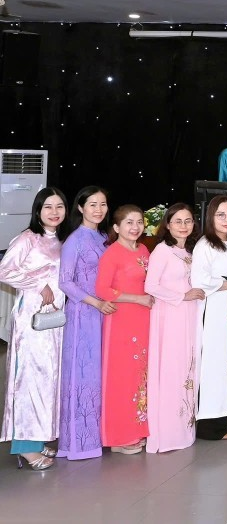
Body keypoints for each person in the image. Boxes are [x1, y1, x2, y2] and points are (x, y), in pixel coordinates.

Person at [0, 187, 69, 470]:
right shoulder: (27, 239)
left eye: (59, 206)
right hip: (32, 319)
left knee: (48, 378)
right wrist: (39, 285)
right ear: (38, 211)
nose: (54, 212)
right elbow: (5, 270)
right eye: (48, 207)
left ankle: (38, 439)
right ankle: (25, 447)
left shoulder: (60, 241)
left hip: (54, 319)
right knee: (29, 377)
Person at [57, 186, 110, 461]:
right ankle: (78, 442)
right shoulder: (74, 240)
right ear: (80, 207)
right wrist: (94, 302)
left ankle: (102, 435)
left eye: (103, 204)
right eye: (92, 204)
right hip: (82, 313)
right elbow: (65, 282)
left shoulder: (104, 238)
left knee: (102, 373)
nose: (98, 209)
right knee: (83, 375)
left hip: (105, 312)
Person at [144, 203, 200, 453]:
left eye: (188, 221)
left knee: (187, 368)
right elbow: (151, 286)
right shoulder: (162, 250)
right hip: (170, 316)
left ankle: (184, 429)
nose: (183, 226)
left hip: (189, 314)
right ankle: (167, 434)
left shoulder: (190, 250)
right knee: (171, 369)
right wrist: (182, 296)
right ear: (167, 224)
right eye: (178, 221)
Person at [96, 204, 153, 455]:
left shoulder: (143, 249)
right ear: (116, 227)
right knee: (121, 377)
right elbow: (102, 290)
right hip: (121, 320)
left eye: (139, 222)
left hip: (143, 319)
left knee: (140, 377)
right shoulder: (112, 253)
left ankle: (137, 429)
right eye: (129, 222)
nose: (135, 227)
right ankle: (118, 438)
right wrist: (137, 299)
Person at [191, 195, 227, 441]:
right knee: (213, 364)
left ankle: (222, 418)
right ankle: (208, 425)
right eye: (221, 214)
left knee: (226, 364)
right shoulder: (205, 245)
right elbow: (200, 281)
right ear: (210, 217)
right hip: (213, 309)